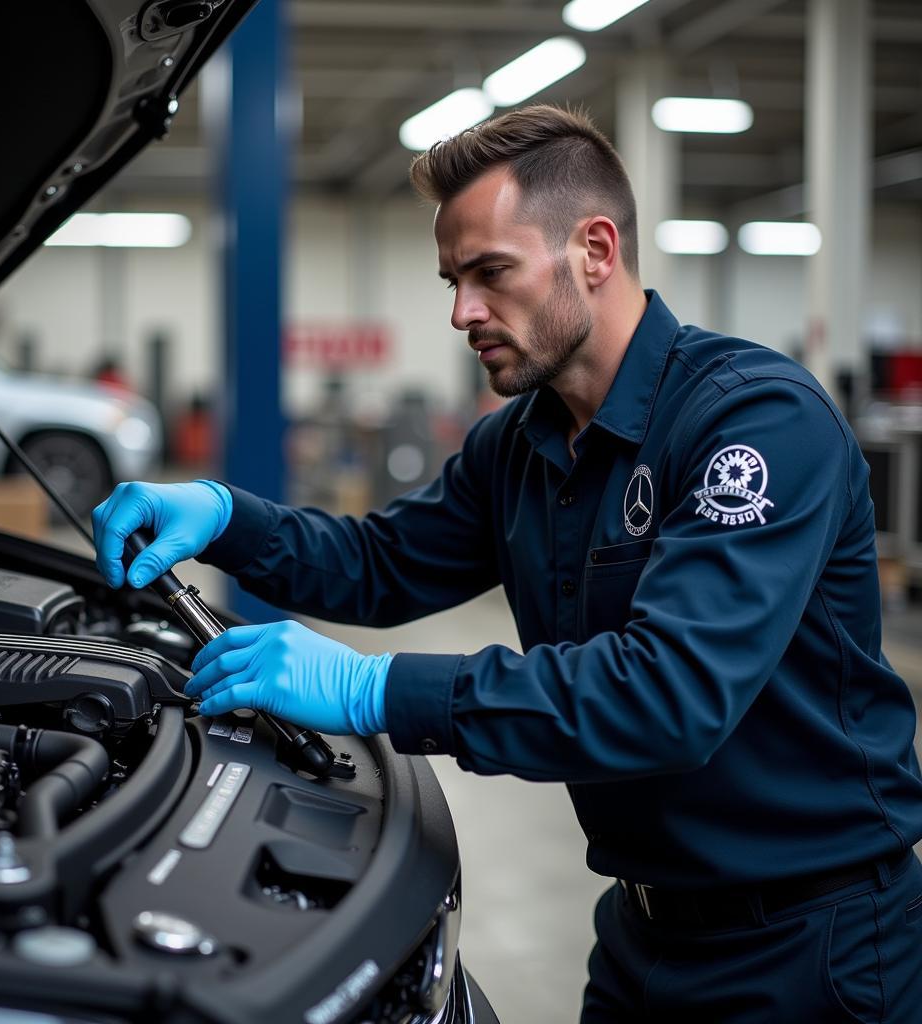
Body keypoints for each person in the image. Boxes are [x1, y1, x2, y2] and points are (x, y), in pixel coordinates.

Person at [92, 105, 922, 1022]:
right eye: (453, 279)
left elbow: (669, 696)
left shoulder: (753, 423)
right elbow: (381, 562)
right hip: (645, 935)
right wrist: (220, 518)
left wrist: (377, 692)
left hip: (815, 948)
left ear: (596, 250)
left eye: (491, 273)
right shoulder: (521, 445)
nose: (462, 313)